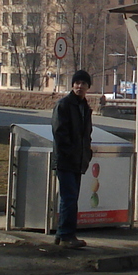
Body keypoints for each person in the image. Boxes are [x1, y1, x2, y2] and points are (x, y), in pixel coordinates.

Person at [51, 69, 94, 248]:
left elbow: (86, 135)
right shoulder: (64, 105)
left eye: (83, 84)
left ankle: (63, 235)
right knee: (69, 198)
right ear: (72, 85)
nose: (80, 86)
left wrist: (86, 153)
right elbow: (59, 133)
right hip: (66, 160)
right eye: (77, 83)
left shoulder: (85, 108)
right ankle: (67, 235)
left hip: (78, 160)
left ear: (88, 87)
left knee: (71, 197)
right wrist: (69, 152)